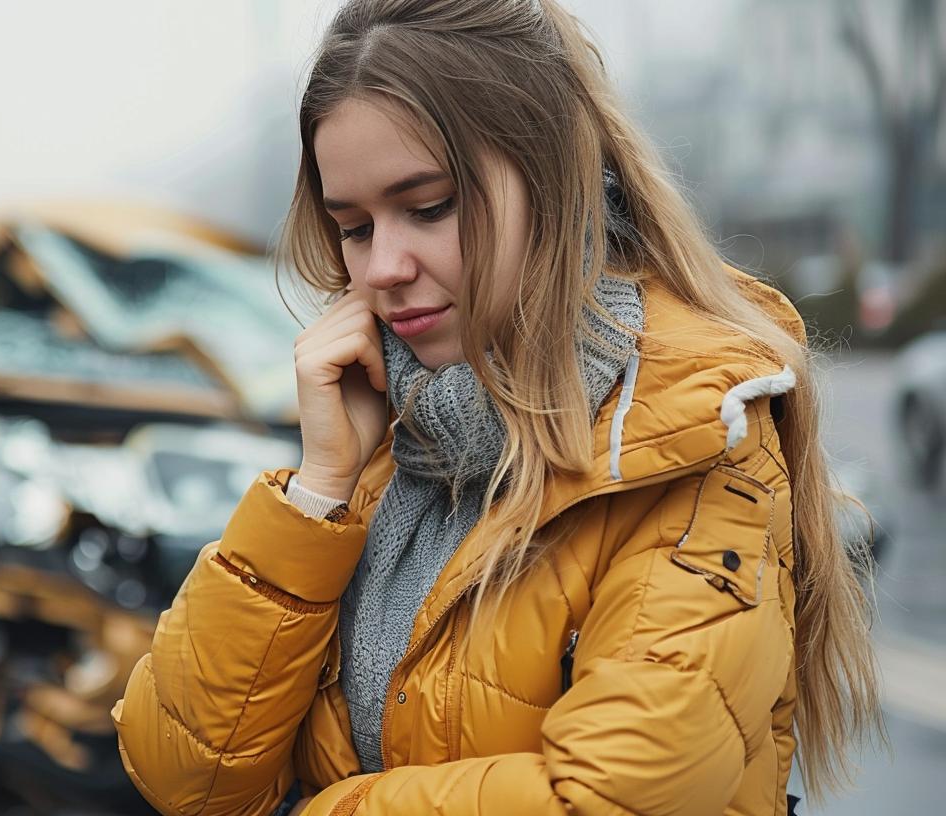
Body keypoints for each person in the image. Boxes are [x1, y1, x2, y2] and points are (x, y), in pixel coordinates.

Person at [111, 1, 882, 813]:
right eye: (354, 227)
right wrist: (317, 489)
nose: (383, 267)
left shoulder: (688, 433)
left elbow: (612, 799)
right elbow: (185, 776)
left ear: (554, 179)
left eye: (429, 207)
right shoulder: (386, 429)